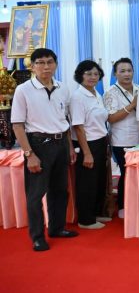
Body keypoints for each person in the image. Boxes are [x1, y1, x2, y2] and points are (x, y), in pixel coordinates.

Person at [11, 48, 78, 252]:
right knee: (35, 194)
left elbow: (65, 119)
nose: (46, 67)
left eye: (50, 62)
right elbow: (17, 125)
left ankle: (57, 228)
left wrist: (69, 147)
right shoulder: (23, 90)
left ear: (56, 64)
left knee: (60, 190)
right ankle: (38, 237)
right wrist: (29, 154)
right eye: (40, 63)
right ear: (32, 66)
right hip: (38, 145)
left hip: (61, 143)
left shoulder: (63, 88)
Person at [70, 60, 110, 230]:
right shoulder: (78, 97)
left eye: (96, 74)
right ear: (80, 75)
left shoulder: (96, 94)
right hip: (87, 144)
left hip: (100, 141)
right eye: (88, 74)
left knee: (99, 180)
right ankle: (85, 219)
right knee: (87, 182)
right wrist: (86, 153)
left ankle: (96, 213)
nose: (93, 77)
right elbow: (78, 127)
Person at [103, 58, 139, 219]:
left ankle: (137, 204)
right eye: (122, 71)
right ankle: (123, 206)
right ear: (115, 74)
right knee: (126, 173)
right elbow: (111, 118)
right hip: (121, 140)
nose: (127, 74)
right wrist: (132, 105)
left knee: (138, 174)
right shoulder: (110, 93)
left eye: (129, 70)